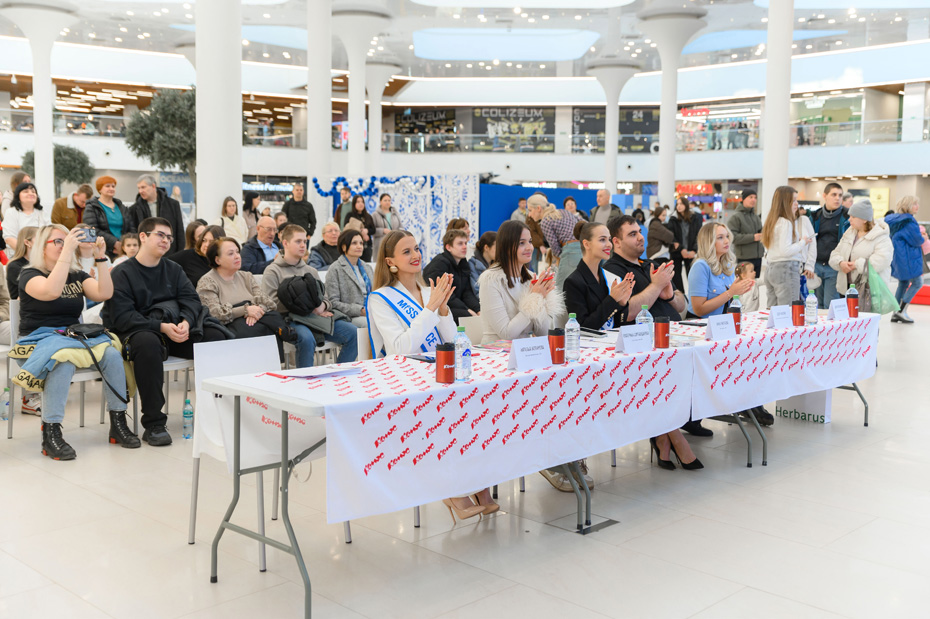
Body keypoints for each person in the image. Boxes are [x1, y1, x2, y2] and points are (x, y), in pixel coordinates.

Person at [367, 230, 498, 520]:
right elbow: (400, 349)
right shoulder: (380, 299)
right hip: (406, 380)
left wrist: (442, 310)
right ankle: (452, 488)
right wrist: (429, 310)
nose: (416, 255)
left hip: (440, 373)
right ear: (390, 261)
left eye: (416, 248)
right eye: (406, 251)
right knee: (453, 409)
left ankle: (477, 482)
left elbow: (455, 341)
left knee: (479, 404)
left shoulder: (430, 291)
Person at [102, 217, 231, 446]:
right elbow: (123, 317)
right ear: (143, 237)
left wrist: (186, 322)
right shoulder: (122, 273)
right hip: (139, 332)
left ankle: (216, 412)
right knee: (148, 343)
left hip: (174, 330)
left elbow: (191, 300)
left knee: (215, 337)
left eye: (169, 237)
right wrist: (160, 327)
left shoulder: (173, 269)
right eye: (160, 235)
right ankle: (154, 423)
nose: (166, 241)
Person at [17, 224, 138, 459]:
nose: (64, 246)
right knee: (62, 362)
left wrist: (100, 257)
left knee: (112, 354)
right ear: (42, 247)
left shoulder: (77, 275)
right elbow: (51, 291)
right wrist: (67, 253)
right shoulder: (29, 275)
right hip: (37, 342)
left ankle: (118, 423)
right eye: (58, 242)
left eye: (67, 241)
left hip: (72, 339)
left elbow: (104, 293)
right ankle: (51, 433)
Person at [603, 214, 706, 451]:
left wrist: (668, 295)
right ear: (616, 242)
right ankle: (666, 432)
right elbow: (627, 312)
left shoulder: (651, 264)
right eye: (632, 234)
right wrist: (656, 285)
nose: (641, 237)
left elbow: (682, 304)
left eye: (640, 232)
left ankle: (688, 419)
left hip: (675, 335)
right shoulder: (612, 271)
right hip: (645, 346)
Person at [689, 223, 772, 427]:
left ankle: (750, 401)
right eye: (720, 237)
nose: (726, 241)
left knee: (754, 350)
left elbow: (729, 300)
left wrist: (739, 292)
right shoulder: (700, 266)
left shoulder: (726, 265)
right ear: (708, 242)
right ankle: (745, 403)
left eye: (726, 236)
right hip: (700, 329)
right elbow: (699, 309)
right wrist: (731, 293)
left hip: (723, 326)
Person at [261, 224, 358, 368]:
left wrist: (322, 306)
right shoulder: (273, 271)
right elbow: (271, 304)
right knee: (306, 339)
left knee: (354, 333)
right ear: (285, 243)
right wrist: (307, 308)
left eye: (305, 242)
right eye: (298, 241)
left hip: (317, 317)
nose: (303, 245)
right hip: (291, 320)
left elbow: (326, 298)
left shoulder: (311, 270)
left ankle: (338, 373)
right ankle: (306, 380)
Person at [196, 237, 294, 360]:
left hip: (257, 323)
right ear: (217, 260)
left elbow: (268, 302)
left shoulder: (246, 276)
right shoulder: (207, 282)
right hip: (230, 329)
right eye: (231, 254)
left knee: (268, 325)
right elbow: (214, 314)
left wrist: (256, 312)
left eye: (237, 252)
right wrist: (246, 310)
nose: (237, 256)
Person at [563, 222, 634, 330]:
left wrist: (622, 304)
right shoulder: (573, 282)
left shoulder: (609, 277)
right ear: (587, 244)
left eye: (609, 239)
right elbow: (583, 328)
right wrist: (612, 300)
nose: (609, 244)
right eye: (602, 240)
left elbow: (618, 326)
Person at [829, 199, 893, 304]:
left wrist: (856, 265)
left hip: (869, 293)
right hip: (846, 290)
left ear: (864, 219)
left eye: (853, 217)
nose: (849, 219)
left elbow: (881, 261)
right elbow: (835, 253)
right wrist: (840, 263)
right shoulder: (849, 233)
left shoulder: (881, 237)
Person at [761, 186, 816, 307]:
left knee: (773, 311)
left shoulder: (772, 221)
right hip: (786, 269)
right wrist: (803, 242)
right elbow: (785, 251)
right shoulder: (785, 222)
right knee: (788, 310)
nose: (797, 204)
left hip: (771, 268)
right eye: (794, 200)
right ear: (785, 202)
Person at [885, 195, 927, 323]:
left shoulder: (896, 220)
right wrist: (924, 238)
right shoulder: (909, 221)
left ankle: (895, 312)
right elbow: (917, 240)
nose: (917, 206)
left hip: (900, 258)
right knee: (918, 283)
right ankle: (901, 311)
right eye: (914, 204)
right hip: (909, 258)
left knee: (903, 284)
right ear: (907, 205)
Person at [423, 228, 480, 323]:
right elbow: (443, 294)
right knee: (467, 316)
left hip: (455, 305)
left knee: (480, 314)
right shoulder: (439, 263)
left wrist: (478, 310)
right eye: (460, 244)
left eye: (465, 243)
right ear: (448, 247)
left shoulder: (463, 264)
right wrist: (467, 310)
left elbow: (467, 292)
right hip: (437, 308)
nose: (465, 247)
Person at [807, 182, 849, 309]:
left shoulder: (847, 217)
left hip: (834, 268)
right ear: (824, 196)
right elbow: (809, 241)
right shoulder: (815, 216)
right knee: (815, 305)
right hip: (816, 266)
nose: (837, 198)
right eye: (834, 195)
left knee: (830, 305)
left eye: (840, 195)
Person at [326, 229, 374, 328]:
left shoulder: (367, 267)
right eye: (354, 243)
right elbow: (333, 302)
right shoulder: (335, 269)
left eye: (361, 243)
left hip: (372, 310)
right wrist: (360, 310)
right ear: (344, 247)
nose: (359, 246)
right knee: (371, 324)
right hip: (351, 316)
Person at [128, 175, 185, 255]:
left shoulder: (173, 204)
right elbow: (134, 231)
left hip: (170, 252)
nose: (140, 191)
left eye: (143, 187)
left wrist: (179, 253)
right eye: (139, 188)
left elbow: (179, 230)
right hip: (146, 253)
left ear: (153, 186)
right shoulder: (134, 209)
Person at [82, 176, 131, 259]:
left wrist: (126, 244)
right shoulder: (92, 207)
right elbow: (91, 230)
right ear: (100, 189)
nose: (111, 188)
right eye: (107, 186)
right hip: (103, 250)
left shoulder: (121, 207)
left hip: (124, 250)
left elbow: (131, 227)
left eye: (113, 186)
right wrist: (114, 243)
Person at [540, 201, 584, 292]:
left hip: (569, 250)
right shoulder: (565, 212)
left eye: (530, 210)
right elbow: (584, 223)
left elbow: (553, 244)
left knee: (560, 287)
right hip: (583, 248)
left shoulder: (545, 221)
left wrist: (560, 256)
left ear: (539, 209)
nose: (529, 214)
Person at [5, 182, 51, 256]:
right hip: (19, 255)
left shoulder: (42, 212)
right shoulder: (11, 212)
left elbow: (49, 234)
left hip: (42, 254)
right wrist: (28, 254)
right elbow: (9, 238)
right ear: (18, 196)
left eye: (33, 192)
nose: (31, 193)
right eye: (26, 191)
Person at [667, 196, 700, 292]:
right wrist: (681, 249)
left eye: (681, 204)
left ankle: (694, 295)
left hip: (691, 252)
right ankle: (680, 296)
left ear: (686, 205)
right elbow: (671, 236)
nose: (679, 206)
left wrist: (694, 250)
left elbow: (698, 235)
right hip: (677, 251)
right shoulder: (673, 219)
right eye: (677, 204)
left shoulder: (695, 218)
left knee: (692, 276)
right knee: (676, 276)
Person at [727, 189, 764, 277]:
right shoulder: (736, 217)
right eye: (750, 197)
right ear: (743, 199)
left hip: (758, 257)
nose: (753, 200)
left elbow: (760, 232)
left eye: (755, 197)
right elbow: (732, 237)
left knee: (755, 283)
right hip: (744, 258)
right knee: (744, 283)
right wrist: (753, 237)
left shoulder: (755, 217)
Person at [6, 226, 37, 299]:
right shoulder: (14, 266)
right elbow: (35, 289)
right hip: (22, 305)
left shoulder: (38, 263)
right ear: (27, 242)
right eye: (40, 239)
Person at [342, 195, 375, 261]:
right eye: (358, 202)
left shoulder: (368, 216)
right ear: (354, 204)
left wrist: (367, 231)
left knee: (366, 265)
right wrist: (362, 233)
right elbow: (347, 229)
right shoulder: (350, 215)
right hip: (353, 246)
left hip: (367, 246)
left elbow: (373, 230)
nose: (361, 204)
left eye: (362, 202)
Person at [371, 193, 404, 258]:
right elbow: (372, 230)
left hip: (394, 242)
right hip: (380, 244)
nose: (387, 202)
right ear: (380, 202)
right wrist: (383, 230)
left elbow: (400, 227)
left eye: (389, 200)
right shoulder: (375, 214)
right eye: (385, 200)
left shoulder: (395, 214)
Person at [525, 193, 548, 272]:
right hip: (536, 247)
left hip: (547, 246)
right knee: (536, 268)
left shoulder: (548, 218)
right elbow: (531, 231)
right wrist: (540, 244)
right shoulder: (531, 216)